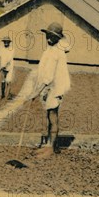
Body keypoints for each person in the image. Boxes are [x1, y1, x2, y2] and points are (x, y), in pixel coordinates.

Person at [29, 22, 71, 155]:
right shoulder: (50, 50)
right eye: (47, 36)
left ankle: (51, 148)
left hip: (55, 88)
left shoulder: (56, 53)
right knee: (49, 115)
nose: (48, 39)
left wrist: (36, 92)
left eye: (51, 37)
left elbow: (48, 77)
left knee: (53, 116)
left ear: (57, 38)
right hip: (51, 88)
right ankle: (49, 144)